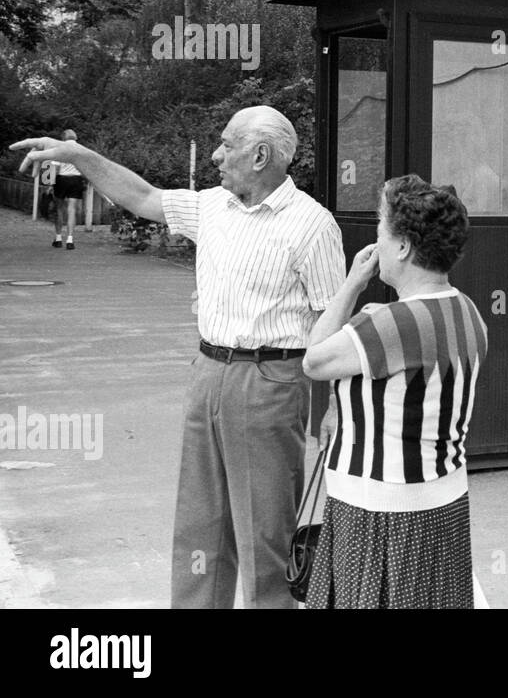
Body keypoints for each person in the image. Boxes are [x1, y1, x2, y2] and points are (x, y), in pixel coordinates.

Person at [11, 106, 345, 608]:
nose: (216, 155)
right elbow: (141, 196)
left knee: (265, 534)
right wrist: (80, 156)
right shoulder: (212, 206)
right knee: (200, 527)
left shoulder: (312, 226)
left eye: (227, 145)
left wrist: (338, 406)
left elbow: (331, 322)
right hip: (208, 373)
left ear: (260, 156)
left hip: (271, 381)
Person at [302, 176, 486, 608]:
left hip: (376, 510)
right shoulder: (467, 311)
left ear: (403, 246)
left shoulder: (390, 325)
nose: (376, 244)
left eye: (381, 232)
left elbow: (314, 359)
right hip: (444, 501)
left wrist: (352, 284)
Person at [49, 129, 87, 250]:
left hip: (62, 180)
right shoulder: (81, 149)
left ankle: (58, 238)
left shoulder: (59, 149)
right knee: (72, 210)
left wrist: (51, 184)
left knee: (59, 209)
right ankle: (70, 239)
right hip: (76, 180)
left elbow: (54, 168)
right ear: (75, 138)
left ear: (63, 138)